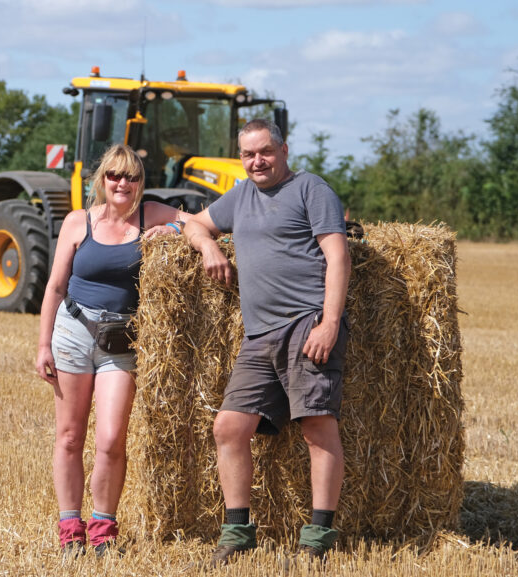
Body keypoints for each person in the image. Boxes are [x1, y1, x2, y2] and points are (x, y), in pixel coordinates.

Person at [182, 118, 351, 564]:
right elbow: (194, 224)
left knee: (317, 426)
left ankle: (317, 537)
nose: (257, 161)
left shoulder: (310, 189)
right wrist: (210, 247)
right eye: (248, 155)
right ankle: (237, 531)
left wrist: (329, 323)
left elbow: (338, 255)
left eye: (265, 152)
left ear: (284, 150)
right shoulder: (241, 197)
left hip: (305, 324)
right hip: (258, 335)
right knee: (229, 427)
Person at [35, 143, 191, 558]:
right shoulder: (77, 221)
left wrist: (173, 230)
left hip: (120, 342)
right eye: (114, 176)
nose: (123, 183)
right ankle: (71, 528)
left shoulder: (152, 213)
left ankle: (103, 530)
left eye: (132, 177)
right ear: (101, 180)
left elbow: (201, 224)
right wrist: (42, 344)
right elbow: (54, 286)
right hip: (72, 333)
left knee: (110, 440)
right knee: (69, 437)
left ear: (141, 182)